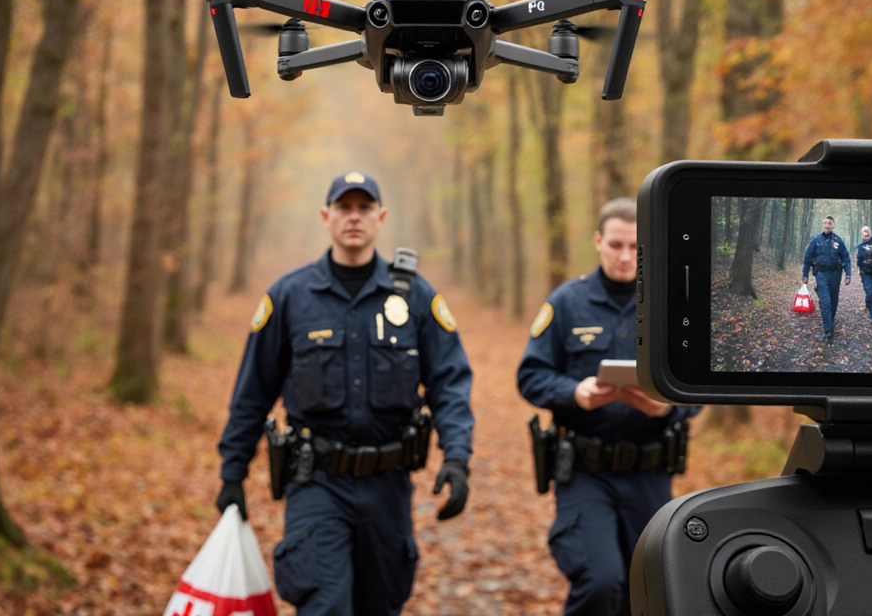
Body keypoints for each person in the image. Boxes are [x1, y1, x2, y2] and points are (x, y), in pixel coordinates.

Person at [215, 171, 475, 616]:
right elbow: (253, 391)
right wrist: (232, 472)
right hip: (316, 481)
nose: (354, 217)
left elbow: (449, 382)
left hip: (388, 485)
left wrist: (457, 457)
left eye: (364, 208)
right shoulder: (290, 296)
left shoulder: (415, 296)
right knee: (326, 604)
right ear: (326, 216)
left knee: (380, 604)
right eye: (344, 207)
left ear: (381, 217)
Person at [518, 198, 698, 616]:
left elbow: (697, 387)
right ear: (598, 241)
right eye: (616, 245)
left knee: (648, 592)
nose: (625, 256)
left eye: (635, 247)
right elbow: (531, 375)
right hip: (586, 470)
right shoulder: (566, 303)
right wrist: (573, 393)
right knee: (600, 581)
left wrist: (667, 409)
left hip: (650, 471)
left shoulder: (671, 304)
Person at [802, 215, 852, 343]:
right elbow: (807, 258)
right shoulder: (816, 240)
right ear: (823, 225)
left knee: (833, 301)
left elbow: (846, 258)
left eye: (830, 223)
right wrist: (805, 275)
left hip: (835, 274)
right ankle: (828, 331)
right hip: (821, 274)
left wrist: (848, 274)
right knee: (825, 302)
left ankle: (830, 320)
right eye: (825, 223)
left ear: (833, 225)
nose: (827, 225)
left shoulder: (838, 241)